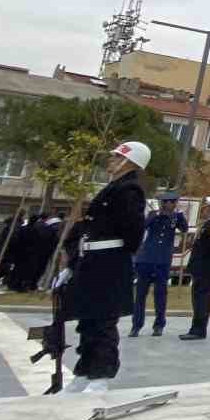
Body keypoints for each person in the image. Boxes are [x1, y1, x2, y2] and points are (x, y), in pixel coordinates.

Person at [57, 141, 148, 394]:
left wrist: (110, 253)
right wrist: (73, 263)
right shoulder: (111, 188)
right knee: (88, 320)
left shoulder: (130, 190)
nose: (110, 160)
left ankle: (101, 375)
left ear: (129, 162)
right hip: (91, 261)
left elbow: (133, 235)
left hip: (109, 263)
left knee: (103, 322)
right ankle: (84, 372)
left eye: (116, 156)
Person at [131, 191, 188, 338]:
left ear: (175, 204)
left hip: (162, 261)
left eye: (172, 202)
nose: (168, 205)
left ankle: (159, 325)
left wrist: (179, 215)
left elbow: (184, 229)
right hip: (146, 259)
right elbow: (144, 226)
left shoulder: (177, 217)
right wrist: (157, 215)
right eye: (166, 202)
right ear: (162, 204)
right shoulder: (153, 215)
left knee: (160, 294)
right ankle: (136, 325)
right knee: (140, 295)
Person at [181, 196, 210, 341]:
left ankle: (198, 330)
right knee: (198, 298)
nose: (204, 210)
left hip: (206, 267)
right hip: (202, 267)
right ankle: (196, 328)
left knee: (202, 298)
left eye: (205, 208)